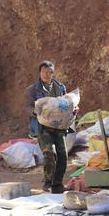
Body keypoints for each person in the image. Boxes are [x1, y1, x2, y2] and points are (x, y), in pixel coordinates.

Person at [24, 61, 70, 193]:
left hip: (59, 127)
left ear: (52, 73)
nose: (46, 74)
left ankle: (57, 184)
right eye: (43, 71)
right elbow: (27, 107)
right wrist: (35, 111)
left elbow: (66, 103)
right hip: (42, 128)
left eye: (49, 71)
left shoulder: (60, 88)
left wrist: (73, 109)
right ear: (40, 73)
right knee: (50, 153)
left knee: (63, 156)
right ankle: (47, 182)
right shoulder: (32, 90)